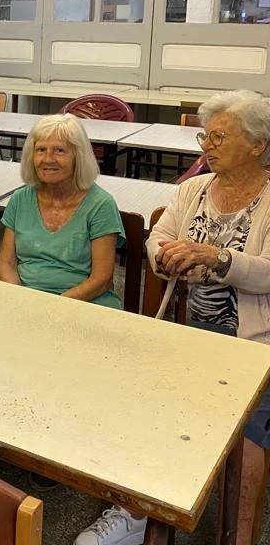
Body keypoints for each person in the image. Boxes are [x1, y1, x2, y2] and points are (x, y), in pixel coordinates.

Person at [73, 90, 270, 545]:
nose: (207, 146)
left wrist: (218, 258)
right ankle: (136, 511)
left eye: (220, 137)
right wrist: (166, 256)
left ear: (257, 145)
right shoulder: (191, 190)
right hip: (185, 329)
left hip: (253, 342)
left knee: (249, 430)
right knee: (147, 402)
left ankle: (238, 533)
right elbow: (157, 236)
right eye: (206, 136)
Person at [0, 114, 125, 308]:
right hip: (25, 301)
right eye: (41, 150)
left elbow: (102, 279)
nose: (48, 159)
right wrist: (18, 300)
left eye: (59, 150)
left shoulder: (101, 205)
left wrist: (54, 307)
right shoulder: (19, 200)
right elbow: (7, 263)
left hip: (84, 302)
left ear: (78, 156)